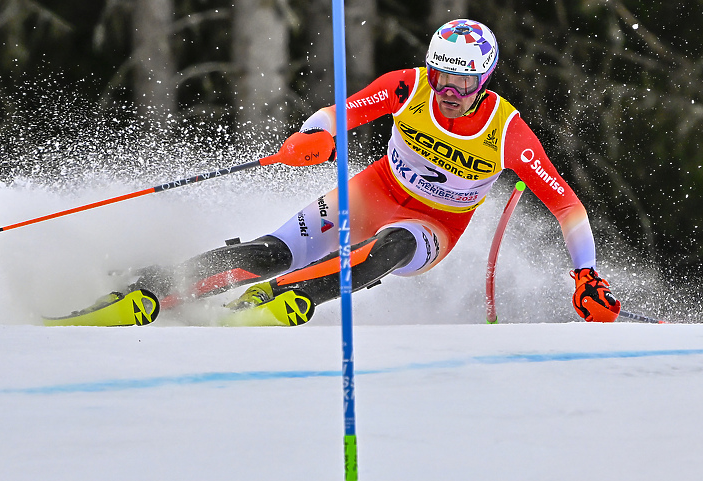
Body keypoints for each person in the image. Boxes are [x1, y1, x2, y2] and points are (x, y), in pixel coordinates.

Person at [102, 18, 621, 326]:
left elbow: (566, 203)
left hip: (434, 225)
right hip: (374, 190)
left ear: (483, 80)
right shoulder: (407, 87)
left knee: (390, 247)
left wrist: (585, 274)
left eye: (462, 83)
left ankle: (284, 298)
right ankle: (154, 285)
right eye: (441, 77)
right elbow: (337, 114)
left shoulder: (506, 131)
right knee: (273, 250)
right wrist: (316, 135)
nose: (448, 93)